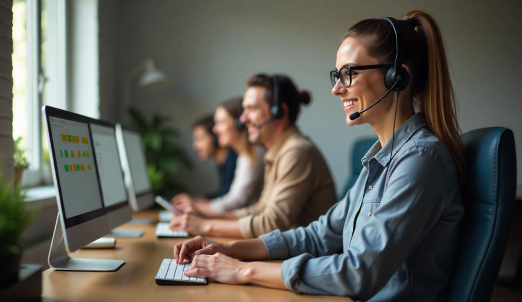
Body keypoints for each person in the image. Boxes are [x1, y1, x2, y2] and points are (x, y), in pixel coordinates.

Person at [173, 10, 466, 301]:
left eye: (348, 73)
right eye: (336, 75)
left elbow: (358, 272)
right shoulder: (378, 161)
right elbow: (318, 235)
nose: (336, 89)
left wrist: (242, 271)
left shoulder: (420, 160)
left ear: (397, 76)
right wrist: (228, 249)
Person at [169, 74, 337, 238]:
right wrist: (207, 217)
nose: (243, 119)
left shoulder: (296, 152)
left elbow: (272, 223)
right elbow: (260, 209)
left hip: (310, 258)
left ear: (279, 112)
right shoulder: (278, 151)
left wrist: (204, 226)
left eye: (252, 109)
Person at [173, 97, 265, 216]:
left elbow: (236, 201)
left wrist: (196, 207)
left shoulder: (253, 154)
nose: (215, 130)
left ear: (239, 124)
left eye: (221, 122)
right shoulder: (244, 156)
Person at [190, 114, 237, 199]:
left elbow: (228, 199)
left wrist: (197, 204)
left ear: (216, 136)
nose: (195, 147)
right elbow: (222, 193)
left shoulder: (234, 160)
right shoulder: (223, 162)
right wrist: (198, 200)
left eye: (199, 139)